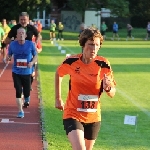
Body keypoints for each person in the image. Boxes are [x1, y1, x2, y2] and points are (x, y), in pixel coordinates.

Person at [55, 27, 116, 150]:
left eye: (97, 45)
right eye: (91, 44)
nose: (93, 49)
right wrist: (58, 98)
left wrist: (108, 88)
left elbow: (112, 93)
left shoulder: (103, 64)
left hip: (93, 116)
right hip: (73, 113)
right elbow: (59, 74)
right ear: (83, 44)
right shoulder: (71, 61)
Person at [6, 27, 37, 118]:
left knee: (27, 92)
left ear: (26, 35)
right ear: (16, 35)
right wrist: (8, 57)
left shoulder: (30, 44)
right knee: (18, 91)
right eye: (19, 33)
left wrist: (32, 62)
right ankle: (20, 111)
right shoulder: (13, 45)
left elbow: (36, 56)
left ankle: (27, 97)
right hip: (16, 72)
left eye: (23, 33)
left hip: (27, 72)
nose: (21, 34)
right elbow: (9, 54)